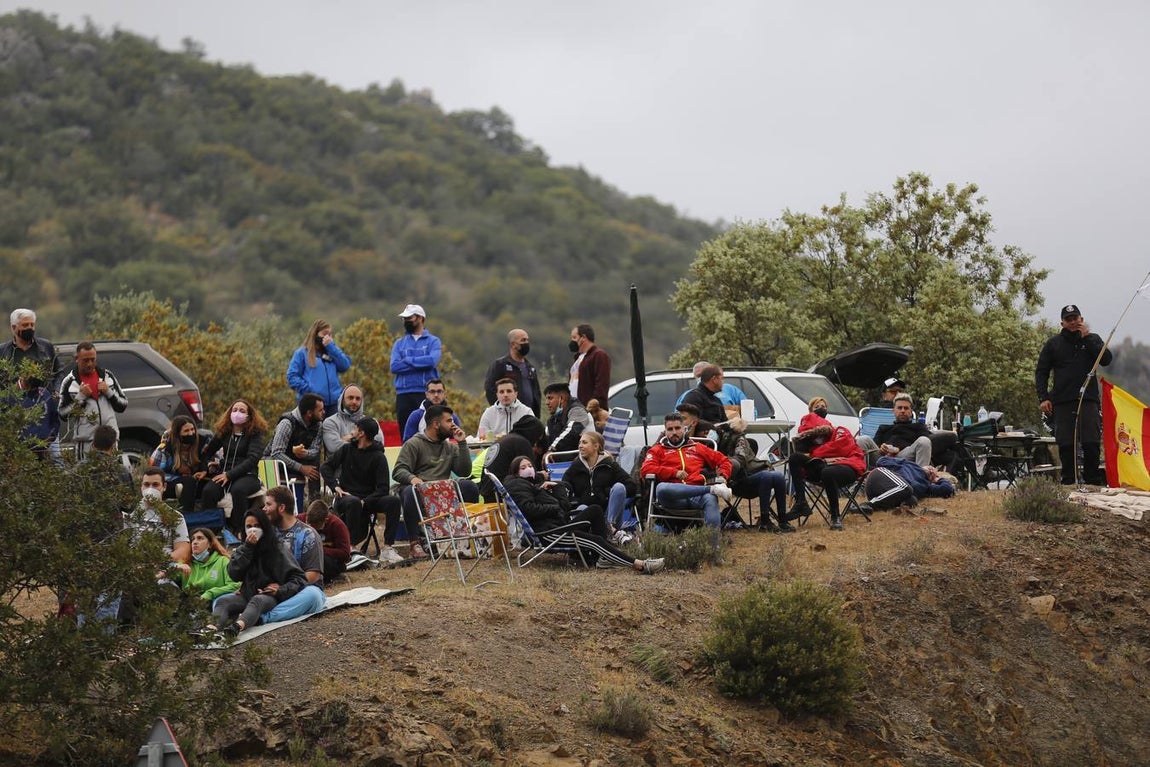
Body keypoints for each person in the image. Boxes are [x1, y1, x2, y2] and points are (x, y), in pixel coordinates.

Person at [504, 455, 664, 574]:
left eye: (530, 465)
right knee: (595, 540)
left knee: (594, 510)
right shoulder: (517, 485)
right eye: (523, 467)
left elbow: (564, 508)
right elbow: (529, 509)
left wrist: (557, 488)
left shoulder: (536, 487)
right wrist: (554, 506)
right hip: (549, 533)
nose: (529, 469)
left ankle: (604, 556)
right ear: (516, 472)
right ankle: (640, 565)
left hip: (558, 525)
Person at [1035, 303, 1113, 485]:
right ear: (1062, 323)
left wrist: (1088, 338)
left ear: (1081, 319)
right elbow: (1041, 372)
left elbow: (1107, 360)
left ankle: (1093, 481)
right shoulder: (1053, 344)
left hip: (1088, 399)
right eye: (1068, 320)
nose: (1072, 322)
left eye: (1075, 318)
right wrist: (1043, 397)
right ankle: (1069, 481)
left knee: (1091, 442)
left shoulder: (1093, 339)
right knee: (1066, 443)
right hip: (1062, 401)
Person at [392, 404, 477, 559]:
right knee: (409, 492)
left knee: (469, 486)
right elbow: (398, 470)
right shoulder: (414, 443)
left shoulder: (449, 447)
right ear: (436, 424)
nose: (453, 425)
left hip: (445, 491)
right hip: (422, 491)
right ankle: (415, 543)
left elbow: (464, 471)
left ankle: (466, 538)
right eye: (449, 421)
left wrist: (462, 443)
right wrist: (413, 479)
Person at [209, 506, 309, 635]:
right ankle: (211, 628)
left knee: (258, 600)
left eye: (257, 526)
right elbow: (234, 574)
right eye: (249, 526)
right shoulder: (242, 549)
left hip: (269, 595)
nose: (253, 530)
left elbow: (299, 578)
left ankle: (237, 627)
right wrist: (248, 549)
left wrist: (280, 590)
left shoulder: (277, 549)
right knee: (223, 601)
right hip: (247, 594)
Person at [640, 413, 733, 551]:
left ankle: (713, 549)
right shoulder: (657, 450)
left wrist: (724, 476)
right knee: (661, 488)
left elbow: (724, 461)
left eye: (678, 428)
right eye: (670, 429)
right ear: (665, 431)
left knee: (710, 499)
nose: (674, 432)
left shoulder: (697, 447)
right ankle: (711, 489)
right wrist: (674, 472)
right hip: (672, 497)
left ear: (685, 429)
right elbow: (645, 469)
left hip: (696, 496)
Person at [320, 415, 403, 564]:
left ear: (362, 433)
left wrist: (366, 500)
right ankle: (350, 548)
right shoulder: (346, 450)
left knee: (393, 501)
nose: (353, 431)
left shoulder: (378, 457)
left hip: (368, 499)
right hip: (346, 496)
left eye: (355, 428)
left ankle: (388, 548)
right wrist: (335, 486)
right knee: (353, 502)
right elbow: (326, 467)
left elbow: (383, 488)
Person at [788, 400, 866, 531]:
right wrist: (817, 455)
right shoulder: (809, 444)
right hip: (820, 467)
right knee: (795, 458)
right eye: (817, 407)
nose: (821, 409)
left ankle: (835, 517)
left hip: (848, 466)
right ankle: (801, 502)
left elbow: (840, 448)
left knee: (827, 472)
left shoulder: (840, 430)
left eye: (823, 406)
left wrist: (816, 455)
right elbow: (804, 455)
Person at [199, 399, 267, 533]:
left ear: (249, 416)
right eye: (235, 410)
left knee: (238, 490)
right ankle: (210, 531)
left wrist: (229, 475)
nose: (237, 413)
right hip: (223, 472)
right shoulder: (224, 432)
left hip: (248, 475)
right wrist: (205, 468)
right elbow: (207, 452)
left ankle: (238, 530)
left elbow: (252, 459)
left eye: (242, 411)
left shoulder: (255, 434)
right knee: (209, 491)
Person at [260, 486, 326, 624]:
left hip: (301, 590)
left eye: (268, 504)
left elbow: (313, 575)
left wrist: (283, 588)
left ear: (281, 508)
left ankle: (263, 618)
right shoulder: (266, 533)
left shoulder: (308, 534)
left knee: (313, 596)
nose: (264, 509)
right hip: (271, 589)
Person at [561, 430, 637, 543]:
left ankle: (610, 529)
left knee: (619, 487)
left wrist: (607, 492)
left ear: (596, 446)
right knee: (581, 508)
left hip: (609, 513)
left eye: (584, 442)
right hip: (588, 515)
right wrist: (579, 499)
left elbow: (632, 486)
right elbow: (564, 488)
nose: (580, 446)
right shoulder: (575, 467)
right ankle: (612, 533)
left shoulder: (609, 465)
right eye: (580, 443)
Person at [58, 341, 127, 459]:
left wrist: (108, 392)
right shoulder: (69, 382)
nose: (90, 364)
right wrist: (80, 397)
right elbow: (62, 414)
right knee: (87, 476)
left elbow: (123, 405)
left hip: (110, 441)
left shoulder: (107, 376)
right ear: (76, 359)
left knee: (111, 476)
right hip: (85, 442)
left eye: (93, 359)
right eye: (85, 360)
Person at [264, 393, 325, 500]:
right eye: (320, 410)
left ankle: (315, 501)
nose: (323, 413)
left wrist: (305, 453)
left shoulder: (318, 425)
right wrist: (301, 468)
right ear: (309, 413)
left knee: (315, 460)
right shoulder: (287, 423)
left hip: (297, 459)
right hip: (274, 462)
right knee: (272, 462)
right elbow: (276, 453)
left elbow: (315, 450)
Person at [391, 304, 442, 431]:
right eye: (404, 318)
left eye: (409, 317)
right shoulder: (399, 343)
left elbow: (431, 361)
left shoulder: (433, 341)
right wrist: (421, 363)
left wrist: (408, 360)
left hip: (426, 394)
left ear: (420, 318)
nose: (406, 321)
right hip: (404, 394)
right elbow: (394, 366)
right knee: (406, 434)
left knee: (430, 431)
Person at [286, 318, 352, 413]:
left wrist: (331, 347)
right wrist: (309, 391)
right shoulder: (302, 353)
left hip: (334, 404)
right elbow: (292, 376)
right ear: (315, 333)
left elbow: (345, 365)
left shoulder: (332, 352)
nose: (327, 337)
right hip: (313, 405)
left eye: (330, 334)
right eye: (324, 334)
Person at [150, 415, 206, 517]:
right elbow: (156, 474)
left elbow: (213, 458)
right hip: (170, 483)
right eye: (186, 431)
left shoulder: (201, 443)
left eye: (192, 429)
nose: (191, 433)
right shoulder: (165, 448)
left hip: (196, 481)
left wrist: (205, 470)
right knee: (188, 482)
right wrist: (180, 477)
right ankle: (186, 516)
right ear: (178, 434)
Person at [484, 328, 542, 416]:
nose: (526, 343)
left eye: (527, 340)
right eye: (523, 340)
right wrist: (500, 409)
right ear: (513, 344)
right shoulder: (500, 365)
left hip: (529, 416)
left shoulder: (530, 367)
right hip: (508, 415)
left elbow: (537, 393)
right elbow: (489, 388)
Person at [0, 308, 62, 390]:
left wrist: (55, 391)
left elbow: (59, 372)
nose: (30, 328)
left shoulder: (46, 346)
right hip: (15, 400)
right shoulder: (3, 351)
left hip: (43, 399)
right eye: (25, 325)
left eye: (32, 325)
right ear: (14, 327)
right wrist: (15, 388)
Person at [864, 456, 956, 511]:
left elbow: (946, 489)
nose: (931, 470)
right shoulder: (909, 464)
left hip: (886, 493)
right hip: (879, 478)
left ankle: (870, 508)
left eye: (934, 472)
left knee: (912, 500)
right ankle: (867, 505)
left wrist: (938, 479)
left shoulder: (926, 486)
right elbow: (881, 461)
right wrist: (899, 460)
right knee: (906, 488)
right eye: (930, 467)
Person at [176, 528, 241, 603]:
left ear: (210, 544)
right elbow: (164, 574)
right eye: (192, 539)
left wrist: (210, 594)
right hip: (189, 605)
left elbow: (235, 586)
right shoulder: (186, 563)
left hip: (215, 603)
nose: (195, 542)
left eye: (200, 538)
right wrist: (176, 567)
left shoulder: (223, 561)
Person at [321, 384, 384, 458]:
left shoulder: (372, 422)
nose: (354, 402)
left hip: (365, 467)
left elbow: (379, 445)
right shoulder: (330, 422)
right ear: (342, 399)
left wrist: (351, 437)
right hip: (339, 468)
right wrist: (363, 440)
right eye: (350, 398)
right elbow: (334, 448)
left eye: (358, 399)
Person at [873, 393, 934, 468]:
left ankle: (920, 476)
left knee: (924, 440)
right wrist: (882, 449)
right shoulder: (883, 428)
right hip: (883, 459)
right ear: (893, 411)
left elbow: (926, 446)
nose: (902, 411)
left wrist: (898, 448)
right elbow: (874, 447)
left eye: (906, 408)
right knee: (863, 439)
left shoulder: (918, 427)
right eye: (899, 408)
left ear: (911, 412)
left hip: (905, 457)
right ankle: (861, 475)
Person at [14, 371, 59, 460]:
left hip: (44, 450)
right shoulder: (11, 397)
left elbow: (54, 419)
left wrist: (51, 437)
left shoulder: (45, 393)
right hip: (20, 454)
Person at [303, 501, 351, 582]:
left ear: (325, 520)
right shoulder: (300, 519)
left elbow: (345, 553)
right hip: (306, 559)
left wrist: (319, 549)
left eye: (314, 525)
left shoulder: (337, 525)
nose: (310, 527)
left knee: (323, 561)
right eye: (308, 524)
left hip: (328, 561)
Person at [676, 361, 748, 415]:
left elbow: (749, 410)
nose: (702, 378)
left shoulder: (731, 390)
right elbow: (678, 418)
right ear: (694, 377)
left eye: (704, 374)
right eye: (699, 376)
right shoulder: (689, 396)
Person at [543, 382, 594, 454]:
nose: (547, 402)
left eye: (550, 398)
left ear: (562, 398)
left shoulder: (578, 411)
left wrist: (552, 449)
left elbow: (571, 431)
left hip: (584, 458)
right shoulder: (554, 418)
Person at [568, 323, 611, 408]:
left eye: (574, 337)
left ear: (583, 337)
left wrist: (593, 407)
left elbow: (601, 385)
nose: (572, 341)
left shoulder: (599, 355)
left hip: (589, 411)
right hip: (575, 409)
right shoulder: (578, 358)